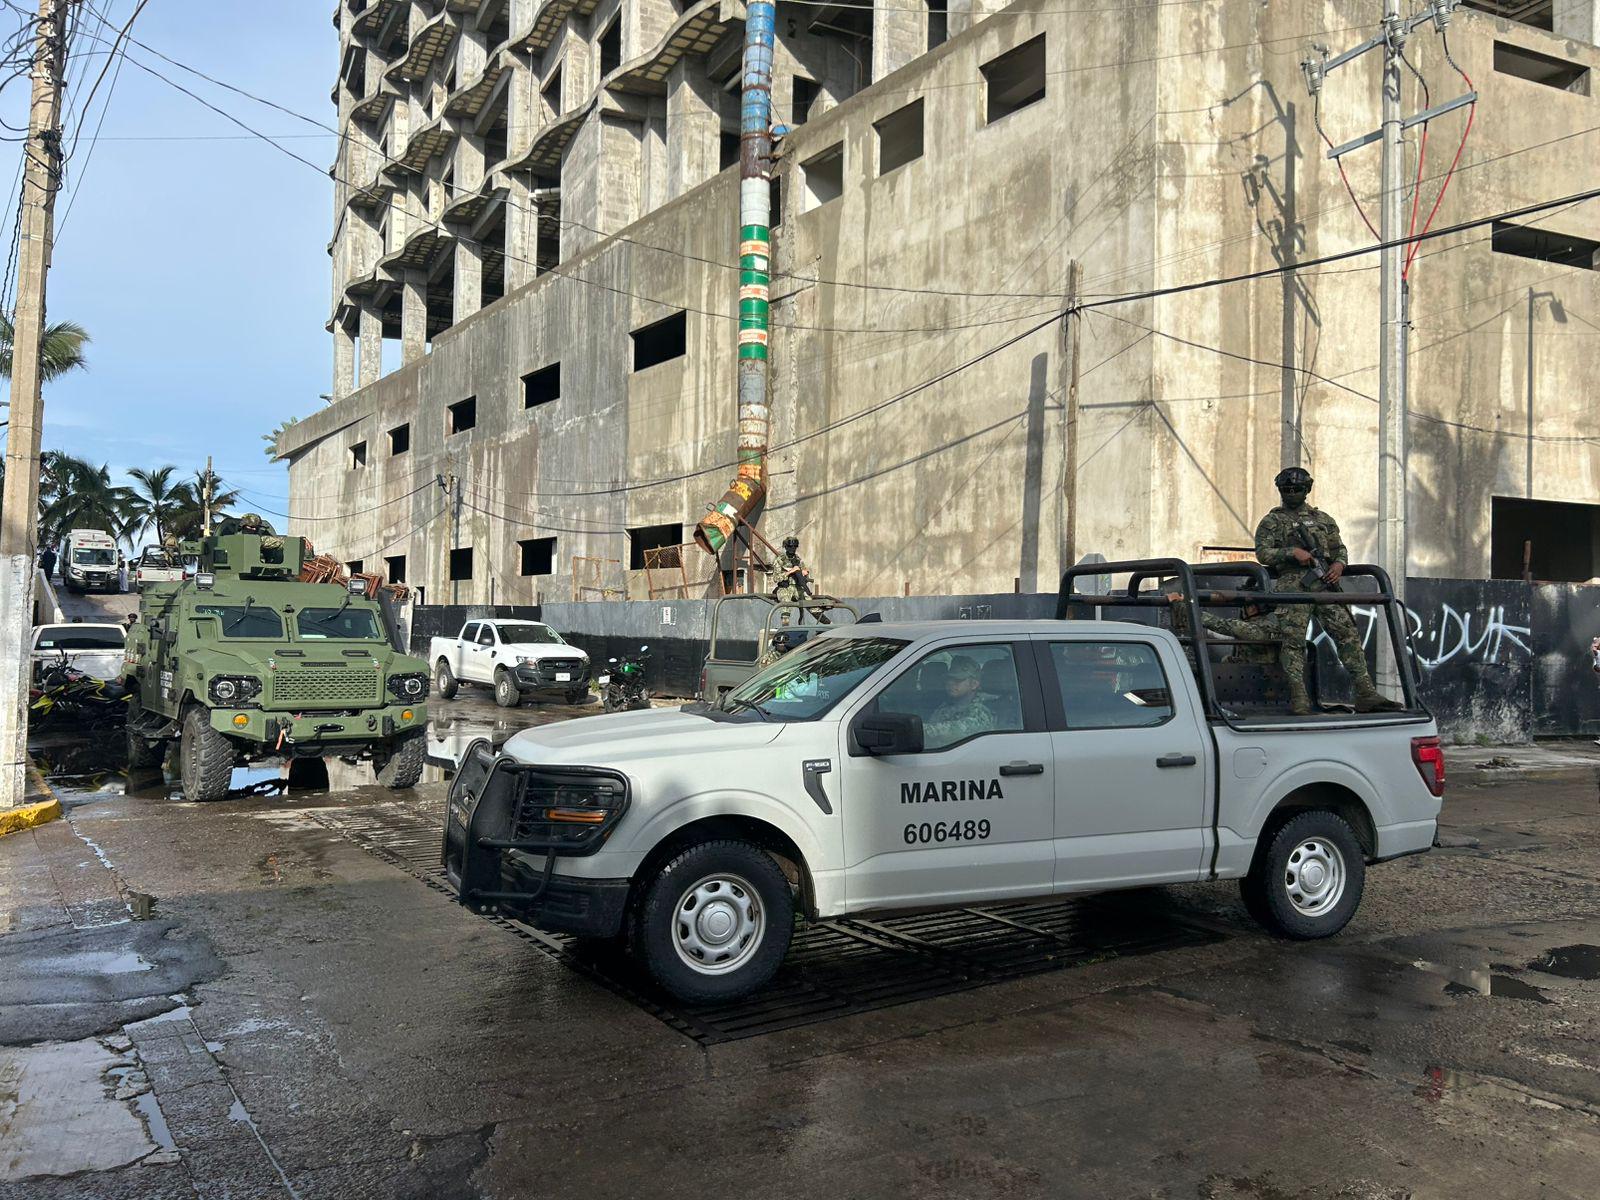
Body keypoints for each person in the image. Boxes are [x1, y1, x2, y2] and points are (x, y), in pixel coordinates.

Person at [1255, 467, 1401, 715]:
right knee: (1293, 641)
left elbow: (1339, 548)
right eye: (1286, 489)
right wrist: (1292, 553)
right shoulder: (1272, 521)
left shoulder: (1324, 520)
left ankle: (1365, 692)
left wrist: (1338, 565)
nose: (1291, 493)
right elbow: (1263, 553)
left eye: (1297, 489)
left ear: (1307, 489)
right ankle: (1299, 697)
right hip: (1293, 587)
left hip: (1324, 584)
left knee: (1347, 632)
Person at [923, 655, 996, 746]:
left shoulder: (981, 712)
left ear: (974, 684)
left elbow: (953, 731)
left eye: (957, 680)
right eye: (949, 679)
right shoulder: (947, 706)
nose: (950, 683)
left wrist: (916, 730)